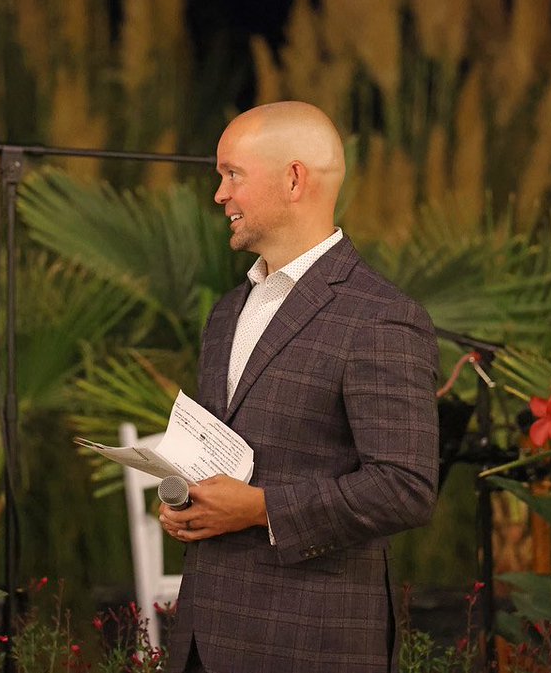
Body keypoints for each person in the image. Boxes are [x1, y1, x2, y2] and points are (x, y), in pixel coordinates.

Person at [159, 101, 439, 673]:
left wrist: (260, 509)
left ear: (293, 178)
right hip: (202, 638)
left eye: (232, 174)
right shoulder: (226, 312)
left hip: (310, 642)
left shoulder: (380, 317)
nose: (219, 194)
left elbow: (405, 487)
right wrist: (190, 503)